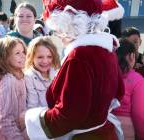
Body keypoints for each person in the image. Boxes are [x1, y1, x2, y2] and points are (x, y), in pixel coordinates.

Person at [25, 0, 125, 139]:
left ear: (69, 26)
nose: (58, 34)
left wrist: (32, 118)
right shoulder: (107, 50)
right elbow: (119, 92)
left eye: (58, 29)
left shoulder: (78, 57)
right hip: (104, 132)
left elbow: (69, 116)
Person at [0, 36, 28, 140]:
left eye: (23, 52)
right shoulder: (8, 81)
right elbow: (4, 119)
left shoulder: (20, 76)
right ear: (4, 58)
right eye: (17, 53)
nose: (23, 56)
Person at [114, 39, 144, 140]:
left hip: (104, 126)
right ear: (132, 56)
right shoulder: (136, 79)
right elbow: (139, 114)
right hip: (125, 129)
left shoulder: (105, 74)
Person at [25, 36, 60, 108]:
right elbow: (32, 107)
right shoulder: (29, 77)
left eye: (49, 57)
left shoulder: (57, 73)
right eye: (40, 57)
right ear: (31, 57)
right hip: (41, 117)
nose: (45, 61)